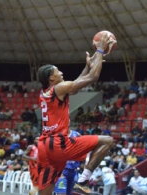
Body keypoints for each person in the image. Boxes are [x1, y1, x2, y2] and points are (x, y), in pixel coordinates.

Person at [37, 33, 115, 195]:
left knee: (45, 193)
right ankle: (83, 180)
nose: (62, 73)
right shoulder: (58, 88)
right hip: (58, 143)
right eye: (58, 72)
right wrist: (100, 50)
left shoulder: (46, 92)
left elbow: (75, 85)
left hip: (44, 146)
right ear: (52, 78)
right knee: (107, 141)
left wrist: (87, 66)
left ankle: (79, 182)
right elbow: (93, 77)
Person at [54, 129, 82, 195]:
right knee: (61, 193)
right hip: (62, 171)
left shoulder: (77, 134)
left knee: (72, 193)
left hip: (74, 171)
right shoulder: (57, 135)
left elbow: (84, 146)